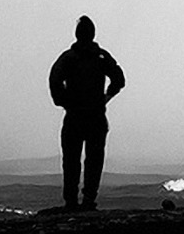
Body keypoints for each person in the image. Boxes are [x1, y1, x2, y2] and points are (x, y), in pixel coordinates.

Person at [49, 15, 126, 211]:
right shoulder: (100, 56)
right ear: (93, 34)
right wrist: (106, 98)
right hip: (95, 117)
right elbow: (119, 78)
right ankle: (89, 201)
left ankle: (72, 202)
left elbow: (54, 81)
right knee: (94, 160)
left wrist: (65, 102)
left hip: (75, 116)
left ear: (77, 34)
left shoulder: (68, 58)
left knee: (71, 161)